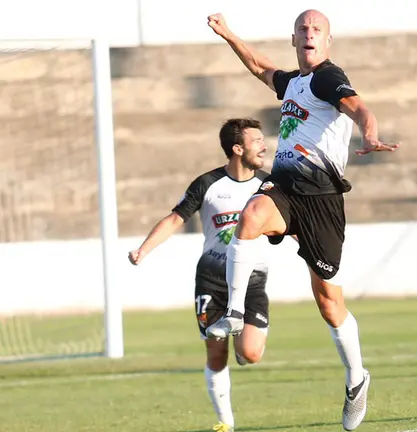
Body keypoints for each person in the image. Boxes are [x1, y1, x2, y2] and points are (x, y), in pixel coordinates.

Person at [204, 10, 399, 431]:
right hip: (287, 188)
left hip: (323, 200)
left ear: (327, 41)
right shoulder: (293, 82)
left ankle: (357, 377)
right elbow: (259, 66)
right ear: (293, 38)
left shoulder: (329, 77)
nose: (309, 34)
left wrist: (368, 131)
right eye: (303, 29)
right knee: (251, 215)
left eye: (317, 30)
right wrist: (229, 34)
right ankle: (234, 312)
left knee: (329, 303)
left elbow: (358, 106)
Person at [128, 118, 271, 432]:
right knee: (216, 353)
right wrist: (143, 249)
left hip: (253, 280)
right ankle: (225, 422)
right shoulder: (207, 184)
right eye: (256, 140)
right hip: (212, 280)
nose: (264, 146)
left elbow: (292, 221)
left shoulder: (268, 185)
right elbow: (175, 218)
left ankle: (240, 338)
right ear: (237, 148)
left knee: (249, 353)